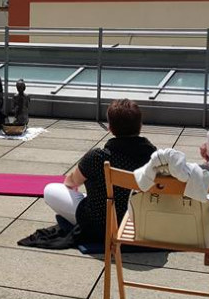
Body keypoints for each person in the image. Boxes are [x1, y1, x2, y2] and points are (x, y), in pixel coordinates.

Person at [22, 99, 157, 248]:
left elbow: (71, 182)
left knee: (50, 189)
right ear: (140, 125)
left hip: (99, 224)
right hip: (141, 223)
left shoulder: (98, 157)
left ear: (110, 128)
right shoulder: (154, 158)